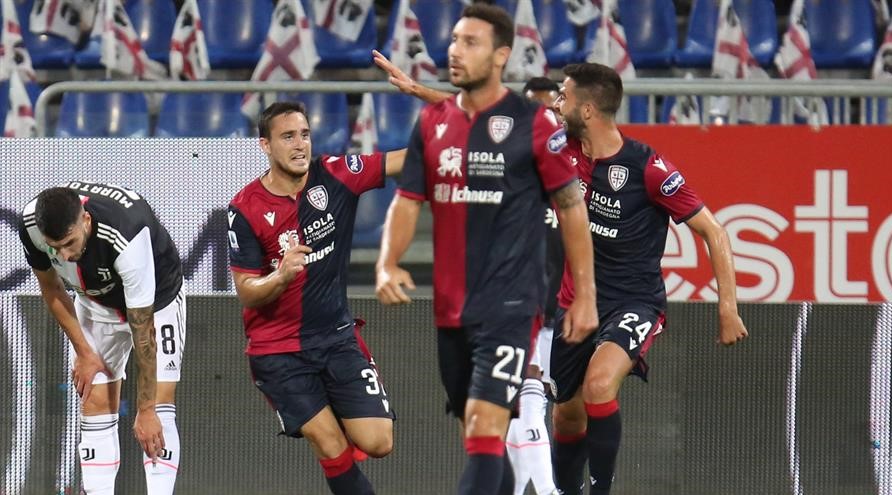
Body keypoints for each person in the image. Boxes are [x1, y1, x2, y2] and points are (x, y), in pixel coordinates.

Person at [373, 5, 599, 494]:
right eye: (454, 39)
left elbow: (572, 208)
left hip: (512, 305)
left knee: (483, 425)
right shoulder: (432, 122)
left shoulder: (535, 124)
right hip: (452, 308)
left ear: (501, 55)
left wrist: (585, 296)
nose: (455, 50)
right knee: (481, 440)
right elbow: (408, 200)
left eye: (470, 42)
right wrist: (387, 262)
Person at [548, 63, 749, 494]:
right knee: (567, 416)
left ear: (587, 110)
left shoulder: (649, 168)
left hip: (633, 302)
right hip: (576, 302)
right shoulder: (559, 148)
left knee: (599, 385)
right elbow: (492, 119)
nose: (556, 103)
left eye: (563, 96)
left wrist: (728, 307)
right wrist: (423, 93)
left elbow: (714, 232)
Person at [227, 101, 406, 495]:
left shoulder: (337, 175)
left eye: (305, 135)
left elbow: (405, 160)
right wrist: (280, 276)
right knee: (330, 445)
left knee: (379, 442)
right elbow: (246, 292)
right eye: (288, 136)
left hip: (337, 338)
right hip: (278, 350)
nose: (300, 144)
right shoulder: (245, 208)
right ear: (265, 145)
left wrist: (457, 124)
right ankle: (325, 423)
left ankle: (333, 410)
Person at [19, 182, 186, 495]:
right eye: (54, 248)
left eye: (69, 243)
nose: (64, 255)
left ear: (86, 220)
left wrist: (145, 409)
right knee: (94, 401)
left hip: (157, 300)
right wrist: (84, 352)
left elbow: (143, 331)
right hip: (94, 302)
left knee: (159, 407)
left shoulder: (127, 234)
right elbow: (52, 289)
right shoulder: (31, 224)